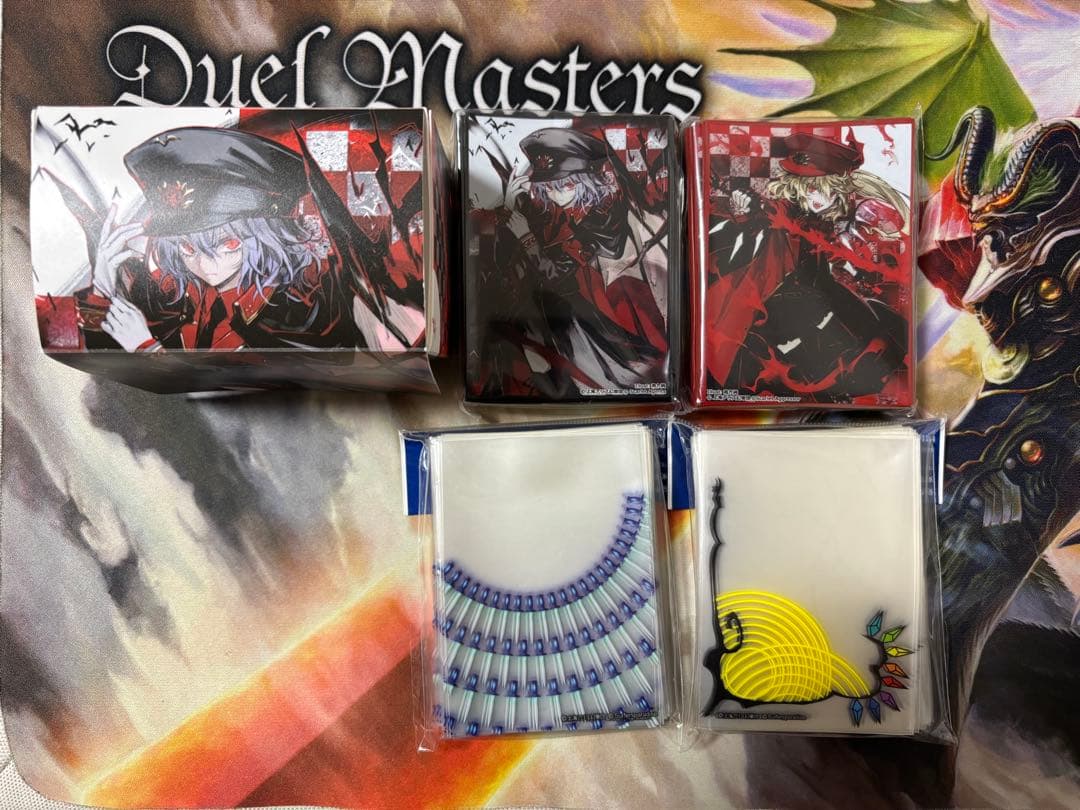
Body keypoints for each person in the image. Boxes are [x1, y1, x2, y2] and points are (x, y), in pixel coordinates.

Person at [81, 126, 422, 354]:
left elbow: (221, 392)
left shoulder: (295, 312)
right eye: (187, 247)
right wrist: (101, 287)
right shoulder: (187, 292)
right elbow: (101, 354)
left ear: (263, 235)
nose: (204, 263)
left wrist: (147, 350)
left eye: (227, 243)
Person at [705, 130, 910, 400]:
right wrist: (743, 211)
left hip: (831, 299)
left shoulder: (854, 213)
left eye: (820, 188)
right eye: (807, 188)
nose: (814, 197)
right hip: (784, 307)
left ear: (837, 187)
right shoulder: (789, 212)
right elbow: (764, 216)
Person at [471, 126, 668, 399]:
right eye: (550, 189)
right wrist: (511, 207)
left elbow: (558, 274)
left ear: (586, 180)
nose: (557, 196)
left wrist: (527, 237)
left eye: (565, 186)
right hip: (559, 318)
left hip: (585, 320)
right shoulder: (560, 212)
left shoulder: (600, 219)